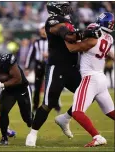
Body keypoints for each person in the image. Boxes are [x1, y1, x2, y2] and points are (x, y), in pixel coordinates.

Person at [25, 2, 102, 147]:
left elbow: (75, 36)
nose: (67, 8)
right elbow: (69, 37)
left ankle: (65, 118)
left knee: (88, 95)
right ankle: (33, 133)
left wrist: (87, 34)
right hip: (57, 68)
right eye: (64, 6)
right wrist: (87, 33)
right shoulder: (53, 22)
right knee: (49, 103)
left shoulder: (68, 21)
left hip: (72, 68)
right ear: (56, 8)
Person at [61, 12, 114, 147]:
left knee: (77, 112)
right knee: (111, 112)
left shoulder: (94, 37)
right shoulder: (109, 38)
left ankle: (97, 137)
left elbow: (73, 48)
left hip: (90, 78)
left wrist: (64, 36)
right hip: (101, 78)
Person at [0, 45, 33, 145]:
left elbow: (18, 79)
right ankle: (4, 138)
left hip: (22, 89)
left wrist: (3, 84)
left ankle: (33, 130)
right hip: (8, 91)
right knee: (3, 111)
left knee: (27, 119)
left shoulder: (7, 60)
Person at [24, 22, 61, 112]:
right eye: (42, 28)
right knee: (37, 87)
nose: (43, 31)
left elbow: (57, 53)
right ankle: (35, 106)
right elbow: (30, 55)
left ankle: (55, 105)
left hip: (50, 65)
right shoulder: (36, 42)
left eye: (45, 28)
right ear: (39, 30)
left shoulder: (52, 40)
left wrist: (49, 55)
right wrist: (27, 67)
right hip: (39, 65)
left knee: (52, 86)